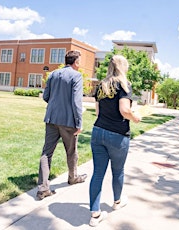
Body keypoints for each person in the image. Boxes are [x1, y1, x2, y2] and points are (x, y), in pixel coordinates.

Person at [88, 55, 141, 227]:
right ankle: (117, 202)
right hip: (117, 135)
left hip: (98, 132)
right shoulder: (124, 85)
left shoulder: (101, 86)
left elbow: (97, 113)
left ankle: (95, 214)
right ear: (122, 67)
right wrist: (135, 117)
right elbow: (124, 110)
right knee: (117, 171)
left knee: (97, 173)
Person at [36, 50, 88, 200]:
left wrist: (55, 106)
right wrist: (79, 123)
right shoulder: (76, 76)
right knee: (71, 152)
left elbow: (46, 96)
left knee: (46, 153)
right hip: (68, 122)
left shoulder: (52, 74)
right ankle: (73, 177)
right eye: (79, 61)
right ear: (76, 62)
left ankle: (43, 189)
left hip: (51, 119)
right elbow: (76, 102)